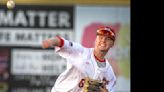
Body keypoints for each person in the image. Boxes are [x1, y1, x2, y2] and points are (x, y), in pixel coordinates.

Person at [42, 26, 117, 92]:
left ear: (112, 44)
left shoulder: (109, 74)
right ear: (96, 39)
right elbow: (62, 42)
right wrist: (50, 42)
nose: (103, 40)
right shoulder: (81, 52)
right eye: (100, 37)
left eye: (107, 39)